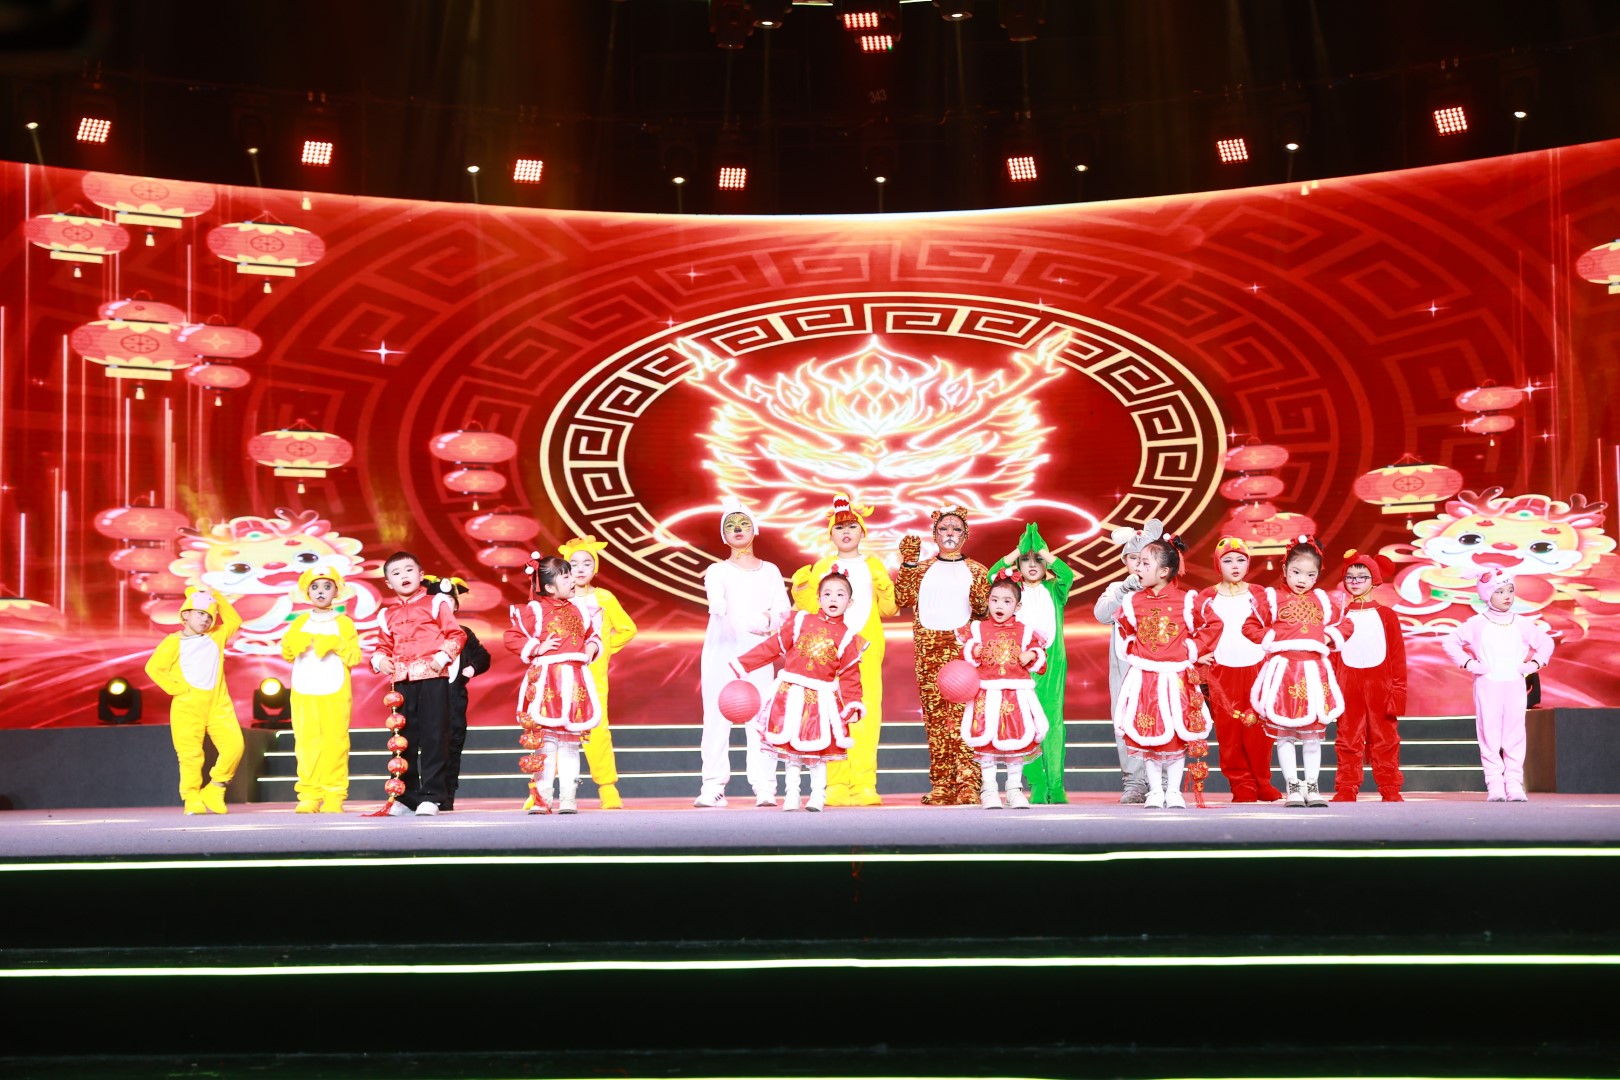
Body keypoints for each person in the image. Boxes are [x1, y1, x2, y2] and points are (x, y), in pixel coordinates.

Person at [790, 493, 895, 806]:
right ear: (830, 534)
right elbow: (810, 608)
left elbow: (888, 610)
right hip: (829, 650)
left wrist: (884, 585)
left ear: (863, 531)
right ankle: (834, 784)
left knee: (866, 715)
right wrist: (801, 589)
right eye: (839, 528)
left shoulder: (873, 564)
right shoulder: (823, 566)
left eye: (852, 526)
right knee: (832, 712)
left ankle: (864, 784)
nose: (846, 532)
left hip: (866, 650)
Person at [731, 571, 867, 812]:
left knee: (817, 750)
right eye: (827, 594)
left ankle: (817, 796)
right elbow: (773, 646)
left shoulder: (848, 638)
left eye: (840, 594)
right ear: (818, 598)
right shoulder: (801, 622)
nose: (833, 598)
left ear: (850, 602)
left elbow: (850, 675)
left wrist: (853, 703)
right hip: (790, 694)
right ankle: (791, 794)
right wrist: (744, 663)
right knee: (790, 748)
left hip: (820, 700)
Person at [697, 503, 791, 808]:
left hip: (758, 653)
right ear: (723, 535)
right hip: (721, 651)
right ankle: (713, 786)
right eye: (730, 525)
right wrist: (717, 602)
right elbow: (715, 591)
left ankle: (764, 787)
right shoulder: (717, 570)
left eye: (743, 523)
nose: (737, 529)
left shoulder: (770, 571)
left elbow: (783, 610)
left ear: (755, 529)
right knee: (715, 719)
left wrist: (767, 619)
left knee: (761, 719)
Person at [895, 506, 990, 805]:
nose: (950, 533)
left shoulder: (978, 570)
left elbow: (985, 613)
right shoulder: (921, 568)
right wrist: (908, 563)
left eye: (956, 529)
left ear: (966, 534)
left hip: (963, 649)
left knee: (965, 718)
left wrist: (980, 601)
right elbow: (902, 598)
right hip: (928, 648)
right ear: (934, 534)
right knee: (936, 720)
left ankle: (968, 783)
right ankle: (942, 784)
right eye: (944, 529)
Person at [1244, 537, 1344, 808]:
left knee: (1312, 736)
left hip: (1314, 672)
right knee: (1285, 733)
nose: (1303, 580)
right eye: (1296, 572)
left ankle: (1313, 786)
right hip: (1284, 672)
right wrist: (1272, 639)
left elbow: (1345, 624)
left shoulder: (1323, 600)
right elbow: (1250, 627)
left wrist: (1329, 637)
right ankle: (1293, 787)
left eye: (1311, 575)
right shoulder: (1271, 598)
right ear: (1285, 569)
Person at [1111, 536, 1210, 809]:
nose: (1138, 568)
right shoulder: (1133, 601)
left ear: (1164, 571)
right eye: (1138, 563)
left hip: (1176, 677)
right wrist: (1134, 648)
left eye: (1145, 563)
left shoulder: (1186, 600)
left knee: (1177, 733)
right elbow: (1125, 629)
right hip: (1146, 678)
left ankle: (1174, 790)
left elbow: (1211, 625)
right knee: (1149, 733)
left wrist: (1191, 649)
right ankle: (1155, 790)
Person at [1441, 569, 1553, 802]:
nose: (1507, 596)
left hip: (1514, 685)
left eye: (1510, 590)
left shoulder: (1521, 623)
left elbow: (1546, 643)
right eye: (1500, 591)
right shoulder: (1477, 623)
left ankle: (1514, 783)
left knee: (1515, 734)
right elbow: (1450, 642)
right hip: (1487, 685)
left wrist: (1533, 664)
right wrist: (1469, 663)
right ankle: (1494, 783)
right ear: (1486, 594)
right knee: (1489, 734)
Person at [371, 551, 466, 817]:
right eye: (396, 573)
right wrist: (380, 660)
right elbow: (383, 646)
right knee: (404, 739)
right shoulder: (386, 614)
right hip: (402, 681)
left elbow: (456, 634)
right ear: (388, 582)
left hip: (432, 678)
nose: (404, 576)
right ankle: (406, 796)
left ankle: (432, 795)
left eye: (409, 570)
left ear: (421, 575)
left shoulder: (436, 602)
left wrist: (442, 657)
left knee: (435, 737)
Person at [506, 555, 603, 814]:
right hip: (548, 679)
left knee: (570, 743)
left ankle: (569, 798)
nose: (572, 580)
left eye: (571, 575)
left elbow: (592, 634)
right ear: (549, 587)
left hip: (574, 680)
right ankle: (543, 798)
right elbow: (512, 636)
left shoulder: (580, 608)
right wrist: (537, 647)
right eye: (566, 576)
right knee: (546, 742)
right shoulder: (536, 610)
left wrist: (592, 646)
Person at [1191, 536, 1283, 803]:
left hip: (1258, 669)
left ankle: (1262, 782)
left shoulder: (1261, 594)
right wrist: (1199, 654)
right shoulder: (1205, 598)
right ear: (1217, 564)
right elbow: (1195, 630)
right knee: (1229, 731)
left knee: (1259, 732)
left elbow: (1274, 627)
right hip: (1221, 672)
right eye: (1228, 560)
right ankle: (1241, 784)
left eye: (1241, 560)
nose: (1235, 565)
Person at [989, 523, 1072, 804]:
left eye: (1038, 559)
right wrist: (1017, 551)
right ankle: (1037, 783)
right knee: (1024, 724)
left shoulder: (1054, 589)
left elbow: (1066, 574)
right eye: (1026, 560)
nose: (1032, 564)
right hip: (1020, 667)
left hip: (1052, 666)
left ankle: (1056, 786)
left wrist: (1043, 552)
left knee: (1053, 724)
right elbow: (991, 576)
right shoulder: (1013, 592)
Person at [144, 586, 245, 815]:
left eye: (210, 616)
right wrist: (177, 689)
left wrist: (216, 596)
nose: (206, 619)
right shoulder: (173, 642)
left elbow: (235, 620)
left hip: (218, 705)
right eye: (200, 613)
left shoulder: (216, 636)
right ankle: (191, 798)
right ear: (185, 615)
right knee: (190, 756)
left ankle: (216, 787)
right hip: (187, 707)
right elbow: (154, 668)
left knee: (234, 746)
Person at [960, 571, 1050, 809]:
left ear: (1017, 606)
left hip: (1015, 695)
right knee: (986, 742)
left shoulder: (1026, 631)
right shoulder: (978, 629)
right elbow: (965, 657)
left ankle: (1014, 789)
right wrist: (973, 652)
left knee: (1015, 742)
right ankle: (989, 789)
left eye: (1007, 601)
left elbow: (1041, 658)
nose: (999, 606)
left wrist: (1032, 655)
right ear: (988, 601)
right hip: (986, 694)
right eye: (995, 600)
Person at [561, 536, 636, 810]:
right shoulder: (559, 599)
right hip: (561, 675)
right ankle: (541, 789)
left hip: (593, 677)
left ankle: (607, 787)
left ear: (595, 568)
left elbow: (627, 629)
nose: (580, 569)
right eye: (574, 564)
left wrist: (604, 650)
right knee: (555, 730)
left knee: (597, 729)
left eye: (587, 563)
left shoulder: (604, 598)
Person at [1327, 551, 1407, 802]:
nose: (1355, 581)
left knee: (1386, 738)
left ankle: (1389, 787)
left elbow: (1397, 657)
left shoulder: (1387, 616)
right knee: (1347, 738)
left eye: (1362, 576)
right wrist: (1331, 692)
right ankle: (1346, 787)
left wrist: (1398, 693)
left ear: (1374, 580)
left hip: (1380, 686)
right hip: (1347, 686)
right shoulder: (1339, 617)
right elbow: (1333, 656)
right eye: (1350, 576)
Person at [281, 566, 361, 814]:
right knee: (306, 744)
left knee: (335, 743)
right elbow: (287, 653)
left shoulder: (344, 623)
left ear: (337, 591)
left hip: (334, 690)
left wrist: (335, 643)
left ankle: (334, 794)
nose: (320, 591)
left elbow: (354, 657)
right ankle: (309, 795)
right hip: (304, 690)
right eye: (315, 587)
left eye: (327, 586)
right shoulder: (300, 622)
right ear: (307, 592)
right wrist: (294, 643)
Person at [1093, 520, 1161, 803]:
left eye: (1144, 559)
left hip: (1158, 667)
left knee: (1160, 718)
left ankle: (1162, 781)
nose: (1138, 565)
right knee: (1124, 721)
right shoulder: (1117, 588)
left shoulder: (1163, 589)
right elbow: (1102, 614)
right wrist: (1124, 590)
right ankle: (1134, 782)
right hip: (1124, 665)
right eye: (1133, 558)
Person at [423, 576, 491, 812]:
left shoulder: (464, 632)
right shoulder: (422, 633)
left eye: (449, 601)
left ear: (456, 606)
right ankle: (423, 794)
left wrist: (470, 669)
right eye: (438, 601)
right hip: (425, 699)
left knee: (452, 746)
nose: (444, 606)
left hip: (453, 699)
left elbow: (483, 657)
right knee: (427, 746)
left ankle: (446, 795)